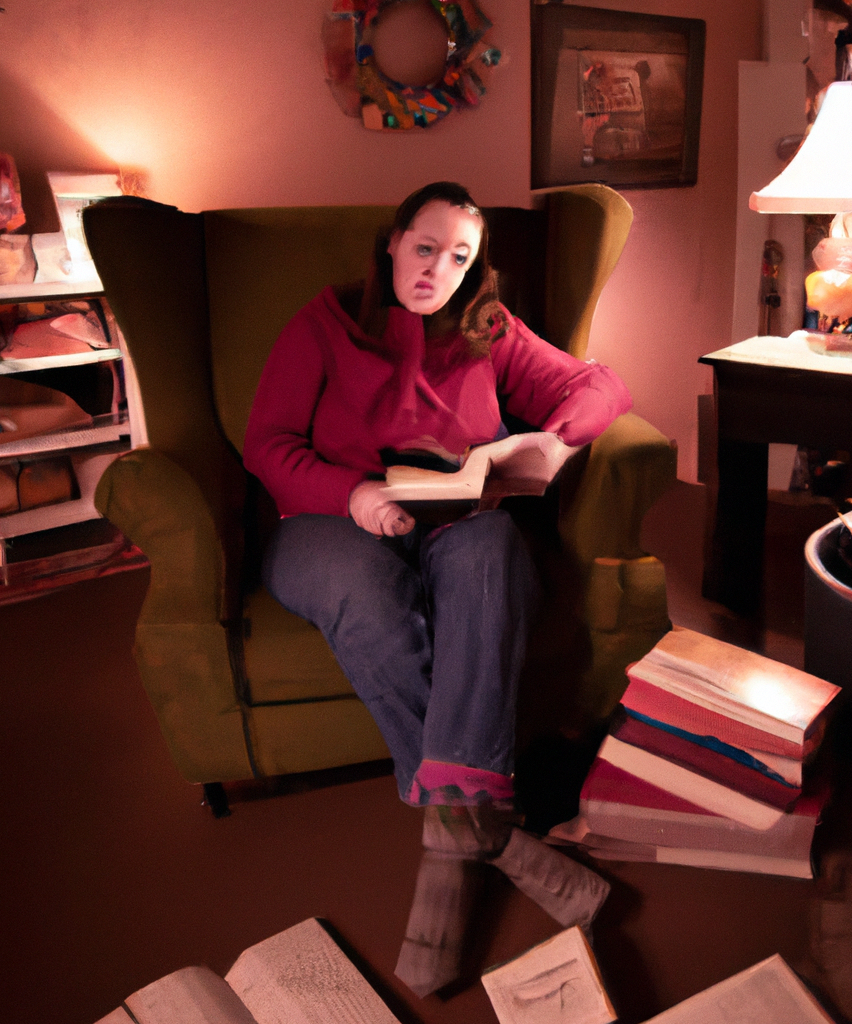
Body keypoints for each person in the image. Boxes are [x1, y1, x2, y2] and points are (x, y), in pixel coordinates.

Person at [243, 182, 632, 997]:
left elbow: (599, 387)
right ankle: (494, 839)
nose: (440, 270)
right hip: (329, 519)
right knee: (368, 603)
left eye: (461, 257)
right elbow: (267, 445)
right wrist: (349, 495)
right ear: (392, 243)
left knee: (494, 565)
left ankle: (453, 850)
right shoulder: (327, 322)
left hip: (458, 514)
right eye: (426, 248)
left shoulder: (487, 330)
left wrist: (557, 443)